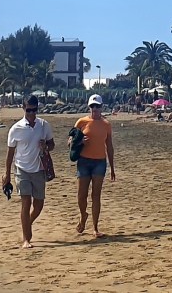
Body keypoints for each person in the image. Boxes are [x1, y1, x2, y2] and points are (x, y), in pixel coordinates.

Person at [3, 96, 55, 249]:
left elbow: (52, 145)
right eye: (29, 110)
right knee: (26, 203)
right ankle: (26, 239)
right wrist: (7, 174)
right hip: (22, 170)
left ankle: (28, 223)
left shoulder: (44, 125)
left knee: (38, 205)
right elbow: (10, 154)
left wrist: (46, 146)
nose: (32, 113)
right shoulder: (16, 129)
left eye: (34, 110)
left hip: (39, 169)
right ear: (23, 108)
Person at [72, 94, 116, 238]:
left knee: (96, 195)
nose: (95, 109)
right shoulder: (81, 122)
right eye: (92, 106)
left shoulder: (106, 124)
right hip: (84, 161)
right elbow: (70, 142)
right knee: (81, 195)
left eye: (97, 106)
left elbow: (109, 147)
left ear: (101, 107)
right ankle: (83, 215)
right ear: (89, 107)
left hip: (99, 162)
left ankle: (95, 228)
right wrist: (80, 142)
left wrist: (112, 168)